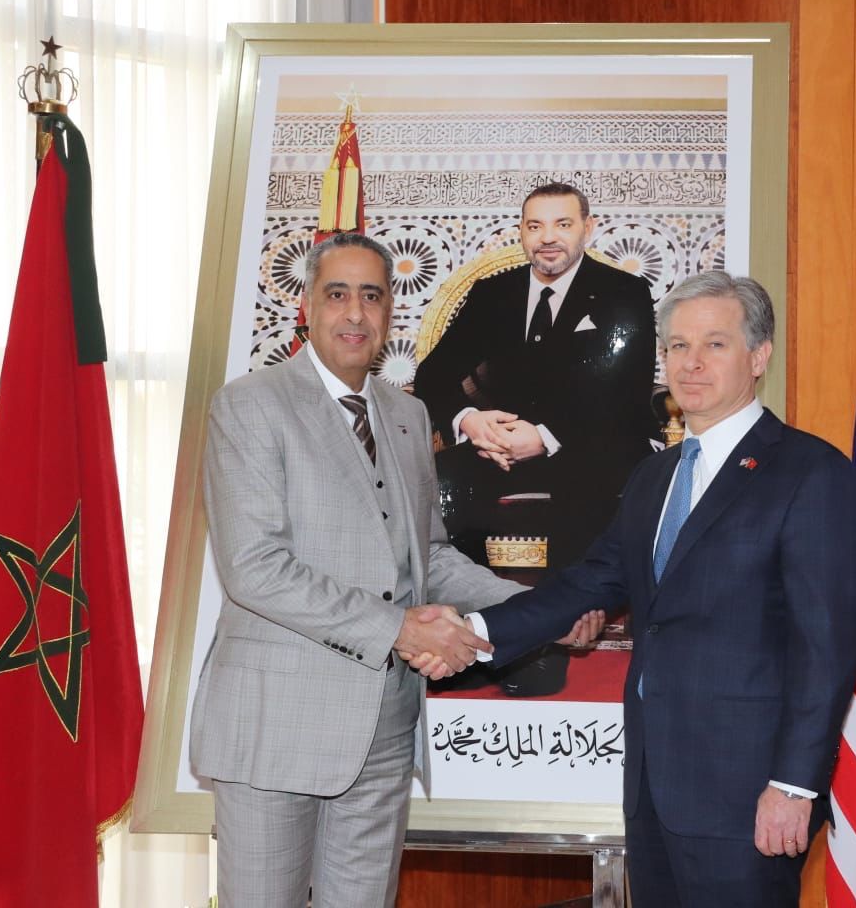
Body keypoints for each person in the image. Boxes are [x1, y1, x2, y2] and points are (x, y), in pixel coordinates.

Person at [433, 270, 856, 906]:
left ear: (758, 356)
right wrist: (471, 632)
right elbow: (588, 582)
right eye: (677, 346)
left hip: (748, 795)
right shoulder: (654, 476)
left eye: (715, 344)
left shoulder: (810, 473)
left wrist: (795, 787)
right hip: (652, 790)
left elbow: (826, 649)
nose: (691, 364)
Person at [190, 232, 598, 908]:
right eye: (337, 294)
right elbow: (255, 569)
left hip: (383, 733)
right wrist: (401, 629)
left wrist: (545, 610)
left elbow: (427, 557)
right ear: (307, 306)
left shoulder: (407, 416)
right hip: (276, 731)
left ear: (389, 313)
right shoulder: (250, 405)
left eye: (372, 296)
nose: (355, 313)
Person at [413, 181, 658, 694]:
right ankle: (467, 641)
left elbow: (626, 394)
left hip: (585, 448)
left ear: (587, 229)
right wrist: (470, 421)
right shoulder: (493, 293)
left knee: (592, 483)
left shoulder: (624, 293)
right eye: (535, 226)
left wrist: (544, 437)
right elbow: (434, 374)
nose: (548, 238)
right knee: (443, 482)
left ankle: (544, 646)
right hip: (495, 447)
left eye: (562, 224)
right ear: (521, 233)